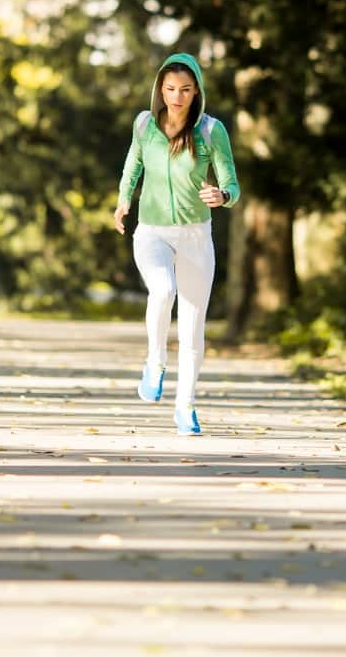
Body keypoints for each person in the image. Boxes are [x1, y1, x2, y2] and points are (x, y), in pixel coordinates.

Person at [114, 52, 240, 436]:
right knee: (162, 290)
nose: (177, 96)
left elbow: (231, 181)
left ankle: (185, 407)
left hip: (195, 238)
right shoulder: (144, 124)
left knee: (192, 327)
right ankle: (155, 363)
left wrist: (223, 196)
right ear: (160, 88)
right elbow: (133, 164)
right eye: (170, 88)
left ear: (197, 90)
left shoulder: (210, 131)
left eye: (185, 89)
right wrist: (123, 200)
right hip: (151, 232)